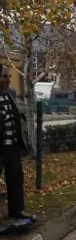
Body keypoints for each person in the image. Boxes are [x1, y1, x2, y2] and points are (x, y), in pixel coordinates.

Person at [0, 65, 35, 225]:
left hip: (12, 147)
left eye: (9, 77)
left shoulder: (11, 94)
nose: (9, 80)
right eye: (5, 77)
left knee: (16, 179)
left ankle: (17, 210)